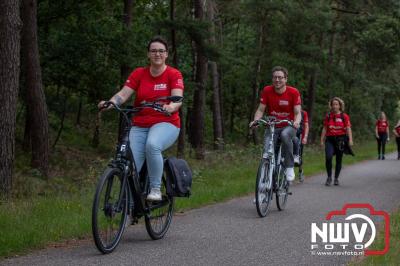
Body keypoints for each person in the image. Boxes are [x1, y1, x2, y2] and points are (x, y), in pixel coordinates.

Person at [98, 36, 184, 201]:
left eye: (161, 51)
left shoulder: (173, 74)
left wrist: (171, 107)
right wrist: (110, 103)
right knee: (129, 165)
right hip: (140, 124)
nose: (157, 54)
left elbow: (177, 98)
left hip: (166, 122)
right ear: (148, 54)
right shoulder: (139, 73)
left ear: (166, 54)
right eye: (153, 51)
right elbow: (123, 95)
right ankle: (130, 205)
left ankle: (155, 189)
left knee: (152, 145)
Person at [250, 66, 302, 183]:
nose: (277, 80)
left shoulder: (293, 92)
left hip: (289, 125)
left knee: (284, 135)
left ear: (286, 79)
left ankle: (289, 167)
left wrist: (296, 122)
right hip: (272, 125)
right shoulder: (267, 90)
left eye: (280, 77)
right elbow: (260, 110)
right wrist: (256, 120)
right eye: (275, 77)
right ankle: (264, 184)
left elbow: (298, 113)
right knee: (267, 152)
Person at [320, 97, 353, 186]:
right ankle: (329, 177)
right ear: (331, 106)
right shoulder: (328, 116)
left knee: (339, 159)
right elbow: (325, 128)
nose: (334, 106)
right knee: (328, 157)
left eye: (336, 104)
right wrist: (321, 140)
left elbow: (348, 128)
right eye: (333, 104)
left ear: (340, 106)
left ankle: (336, 178)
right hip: (330, 140)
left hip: (340, 140)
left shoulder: (344, 116)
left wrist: (350, 139)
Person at [293, 109, 309, 182]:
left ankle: (300, 171)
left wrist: (305, 137)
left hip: (300, 136)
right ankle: (289, 175)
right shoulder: (288, 110)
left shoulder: (303, 113)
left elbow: (306, 125)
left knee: (298, 155)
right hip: (289, 135)